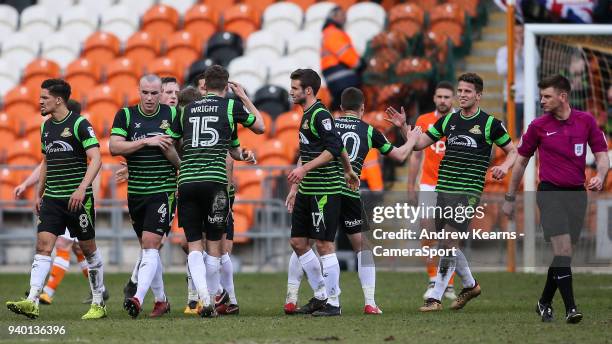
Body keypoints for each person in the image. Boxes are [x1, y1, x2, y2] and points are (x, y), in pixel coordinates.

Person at [387, 72, 517, 312]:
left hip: (468, 192)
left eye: (467, 91)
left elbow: (513, 150)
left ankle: (435, 297)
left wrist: (505, 166)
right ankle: (470, 285)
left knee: (447, 240)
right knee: (447, 243)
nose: (462, 95)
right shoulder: (449, 121)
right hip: (443, 190)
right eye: (460, 91)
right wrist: (404, 127)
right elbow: (418, 143)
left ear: (479, 95)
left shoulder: (490, 124)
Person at [284, 87, 420, 315]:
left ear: (339, 108)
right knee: (362, 247)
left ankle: (297, 296)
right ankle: (370, 302)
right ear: (363, 109)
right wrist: (410, 137)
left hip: (324, 189)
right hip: (350, 192)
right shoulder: (368, 130)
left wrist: (295, 187)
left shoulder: (328, 122)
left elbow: (306, 154)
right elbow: (399, 155)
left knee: (304, 244)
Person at [503, 74, 609, 323]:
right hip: (550, 193)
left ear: (563, 97)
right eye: (541, 96)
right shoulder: (538, 126)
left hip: (577, 194)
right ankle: (571, 308)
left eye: (547, 96)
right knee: (562, 249)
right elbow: (520, 163)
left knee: (564, 254)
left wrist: (601, 176)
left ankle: (543, 302)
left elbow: (602, 156)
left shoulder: (586, 121)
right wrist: (509, 196)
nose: (542, 100)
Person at [166, 65, 264, 317]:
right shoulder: (230, 107)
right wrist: (243, 97)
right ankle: (211, 299)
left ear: (205, 85)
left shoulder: (185, 110)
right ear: (227, 85)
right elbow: (261, 126)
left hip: (187, 182)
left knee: (194, 245)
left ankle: (205, 300)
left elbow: (168, 142)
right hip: (216, 185)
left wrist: (182, 163)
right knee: (214, 245)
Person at [6, 79, 106, 319]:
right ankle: (32, 300)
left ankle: (98, 302)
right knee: (43, 246)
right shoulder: (46, 127)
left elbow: (97, 158)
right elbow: (46, 162)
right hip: (52, 198)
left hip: (78, 200)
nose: (39, 101)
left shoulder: (80, 124)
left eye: (44, 98)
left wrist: (82, 189)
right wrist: (39, 193)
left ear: (58, 100)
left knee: (88, 250)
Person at [284, 68, 359, 317]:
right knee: (297, 242)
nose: (291, 91)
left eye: (295, 88)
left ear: (308, 90)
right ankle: (320, 295)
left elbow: (333, 148)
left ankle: (334, 303)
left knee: (325, 245)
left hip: (325, 190)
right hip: (307, 189)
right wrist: (295, 187)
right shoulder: (306, 114)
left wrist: (304, 169)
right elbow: (324, 148)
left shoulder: (320, 114)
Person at [110, 74, 181, 318]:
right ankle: (161, 300)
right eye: (145, 93)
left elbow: (179, 152)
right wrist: (146, 142)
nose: (150, 98)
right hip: (136, 192)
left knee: (151, 245)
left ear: (161, 93)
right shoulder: (126, 115)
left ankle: (138, 298)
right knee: (147, 247)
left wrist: (173, 155)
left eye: (154, 93)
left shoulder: (172, 115)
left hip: (162, 190)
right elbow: (114, 146)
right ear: (138, 91)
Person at [401, 81, 458, 300]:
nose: (443, 100)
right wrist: (410, 185)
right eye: (439, 96)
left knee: (450, 235)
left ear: (452, 99)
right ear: (434, 98)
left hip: (453, 184)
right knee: (427, 229)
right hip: (429, 183)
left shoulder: (459, 121)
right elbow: (416, 155)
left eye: (447, 97)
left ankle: (449, 283)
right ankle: (433, 278)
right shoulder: (424, 120)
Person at [321, 6, 363, 111]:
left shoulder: (327, 33)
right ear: (334, 16)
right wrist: (359, 64)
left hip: (334, 78)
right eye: (342, 15)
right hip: (343, 78)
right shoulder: (333, 32)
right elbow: (344, 53)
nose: (345, 18)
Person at [496, 23, 525, 135]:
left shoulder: (531, 49)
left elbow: (535, 64)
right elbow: (502, 70)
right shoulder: (503, 51)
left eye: (521, 32)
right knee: (512, 133)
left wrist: (522, 50)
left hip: (531, 98)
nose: (519, 35)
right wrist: (516, 53)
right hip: (512, 97)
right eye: (516, 32)